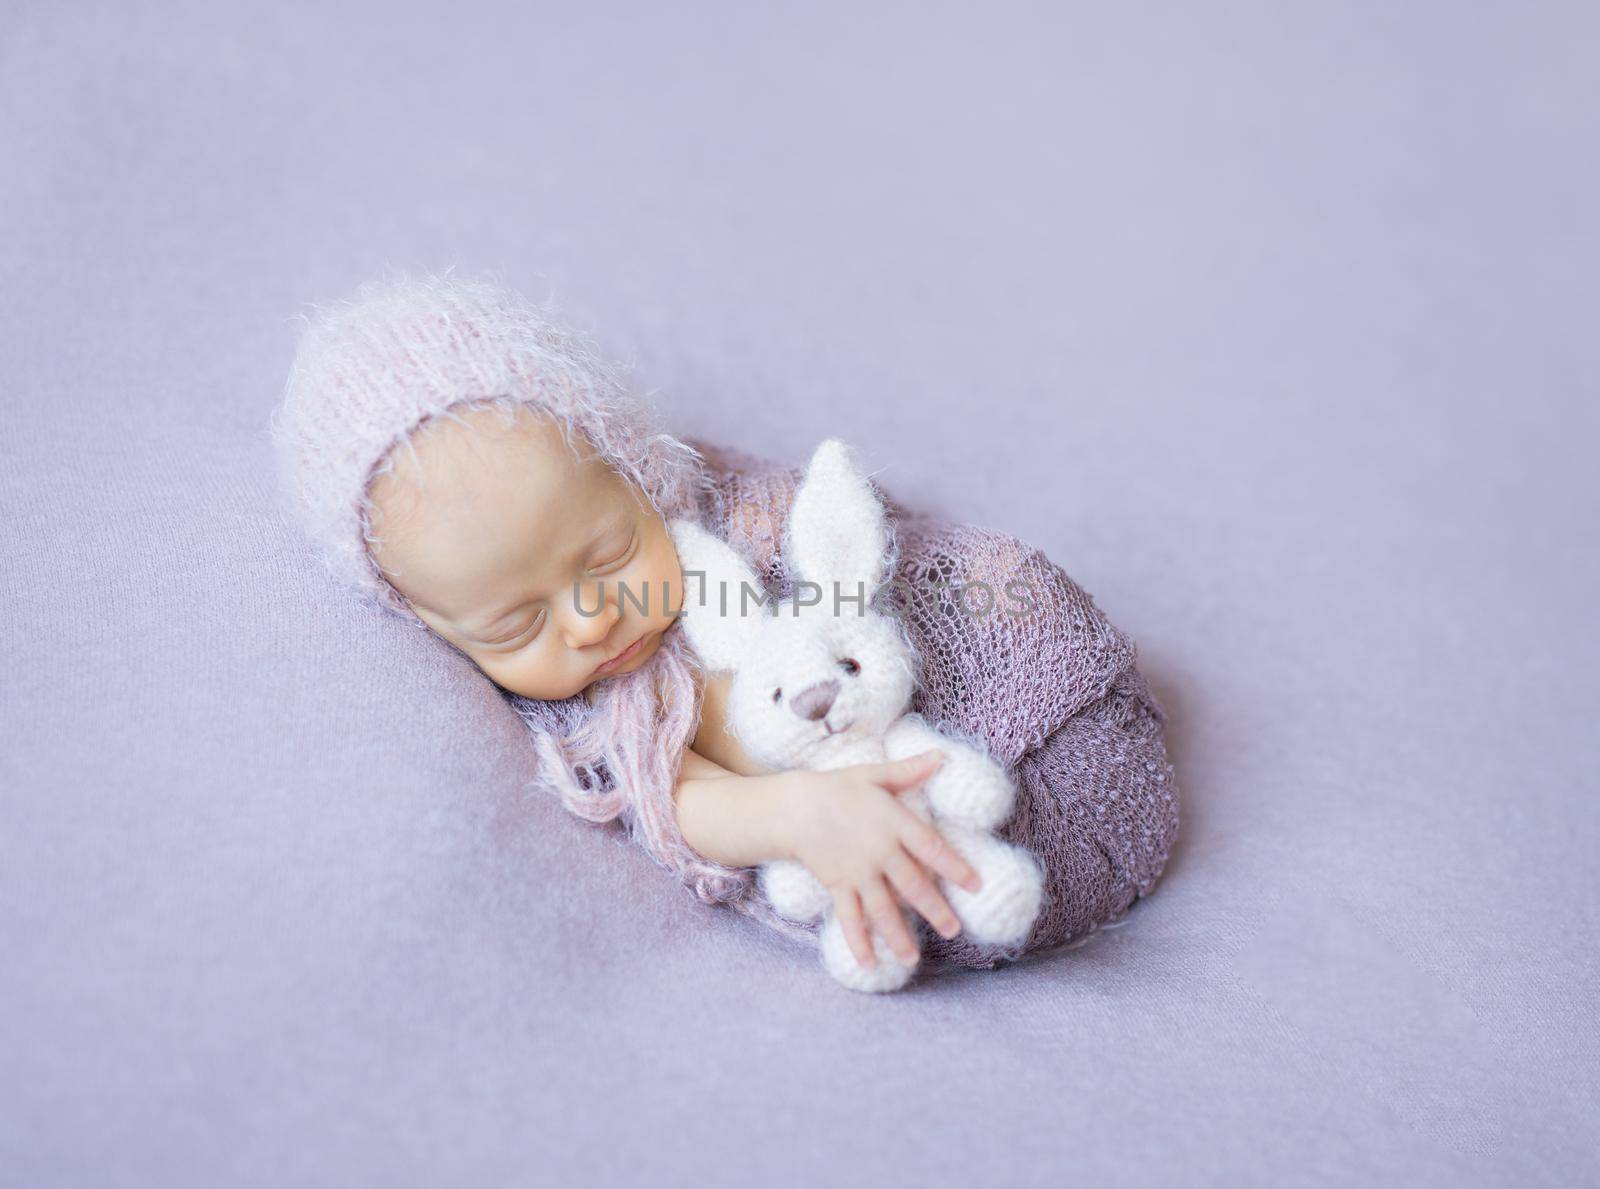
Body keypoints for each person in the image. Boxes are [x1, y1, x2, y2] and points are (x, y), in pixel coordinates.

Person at [271, 269, 1180, 975]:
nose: (591, 619)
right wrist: (795, 814)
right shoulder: (616, 709)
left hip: (933, 700)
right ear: (434, 627)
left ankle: (1066, 741)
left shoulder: (727, 516)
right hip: (883, 802)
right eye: (515, 624)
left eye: (608, 554)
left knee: (999, 588)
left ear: (637, 472)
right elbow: (677, 796)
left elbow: (860, 549)